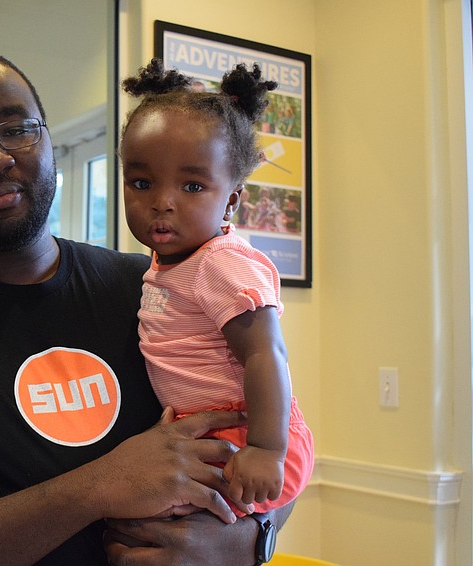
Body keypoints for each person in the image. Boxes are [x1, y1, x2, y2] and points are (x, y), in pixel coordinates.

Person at [0, 48, 293, 565]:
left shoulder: (157, 292)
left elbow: (277, 446)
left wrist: (247, 541)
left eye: (17, 129)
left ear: (48, 142)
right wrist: (97, 486)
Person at [119, 58, 314, 517]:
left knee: (162, 530)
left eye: (191, 185)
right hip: (201, 431)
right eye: (142, 182)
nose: (162, 202)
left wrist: (266, 449)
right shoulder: (167, 264)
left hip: (244, 434)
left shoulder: (221, 264)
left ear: (230, 200)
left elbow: (266, 354)